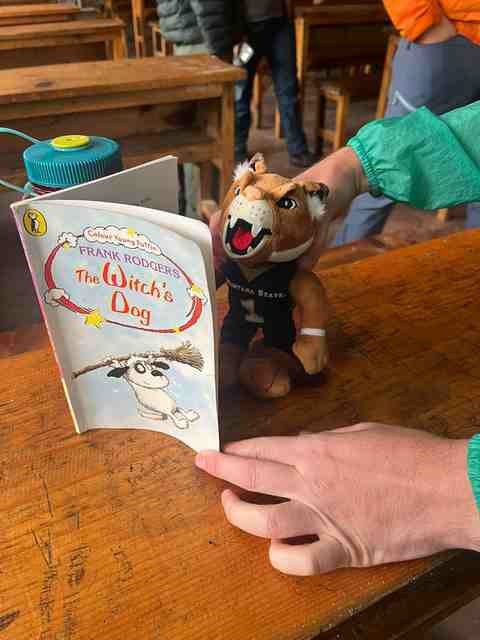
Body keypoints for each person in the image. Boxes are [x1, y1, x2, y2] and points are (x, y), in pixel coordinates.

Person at [199, 101, 480, 576]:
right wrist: (353, 165)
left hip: (281, 336)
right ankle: (233, 360)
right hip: (238, 328)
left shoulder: (294, 278)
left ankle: (265, 362)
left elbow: (310, 306)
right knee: (231, 342)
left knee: (277, 354)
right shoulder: (236, 263)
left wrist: (451, 488)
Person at [333, 0, 480, 246]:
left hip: (450, 38)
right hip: (446, 42)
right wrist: (424, 24)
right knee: (382, 169)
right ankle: (338, 271)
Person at [156, 0, 237, 218]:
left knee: (189, 134)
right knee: (204, 139)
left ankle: (187, 211)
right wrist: (217, 50)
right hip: (204, 44)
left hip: (185, 38)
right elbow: (205, 6)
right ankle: (199, 220)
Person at [234, 0, 317, 168]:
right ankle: (237, 152)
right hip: (245, 27)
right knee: (241, 92)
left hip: (280, 23)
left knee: (289, 90)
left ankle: (298, 150)